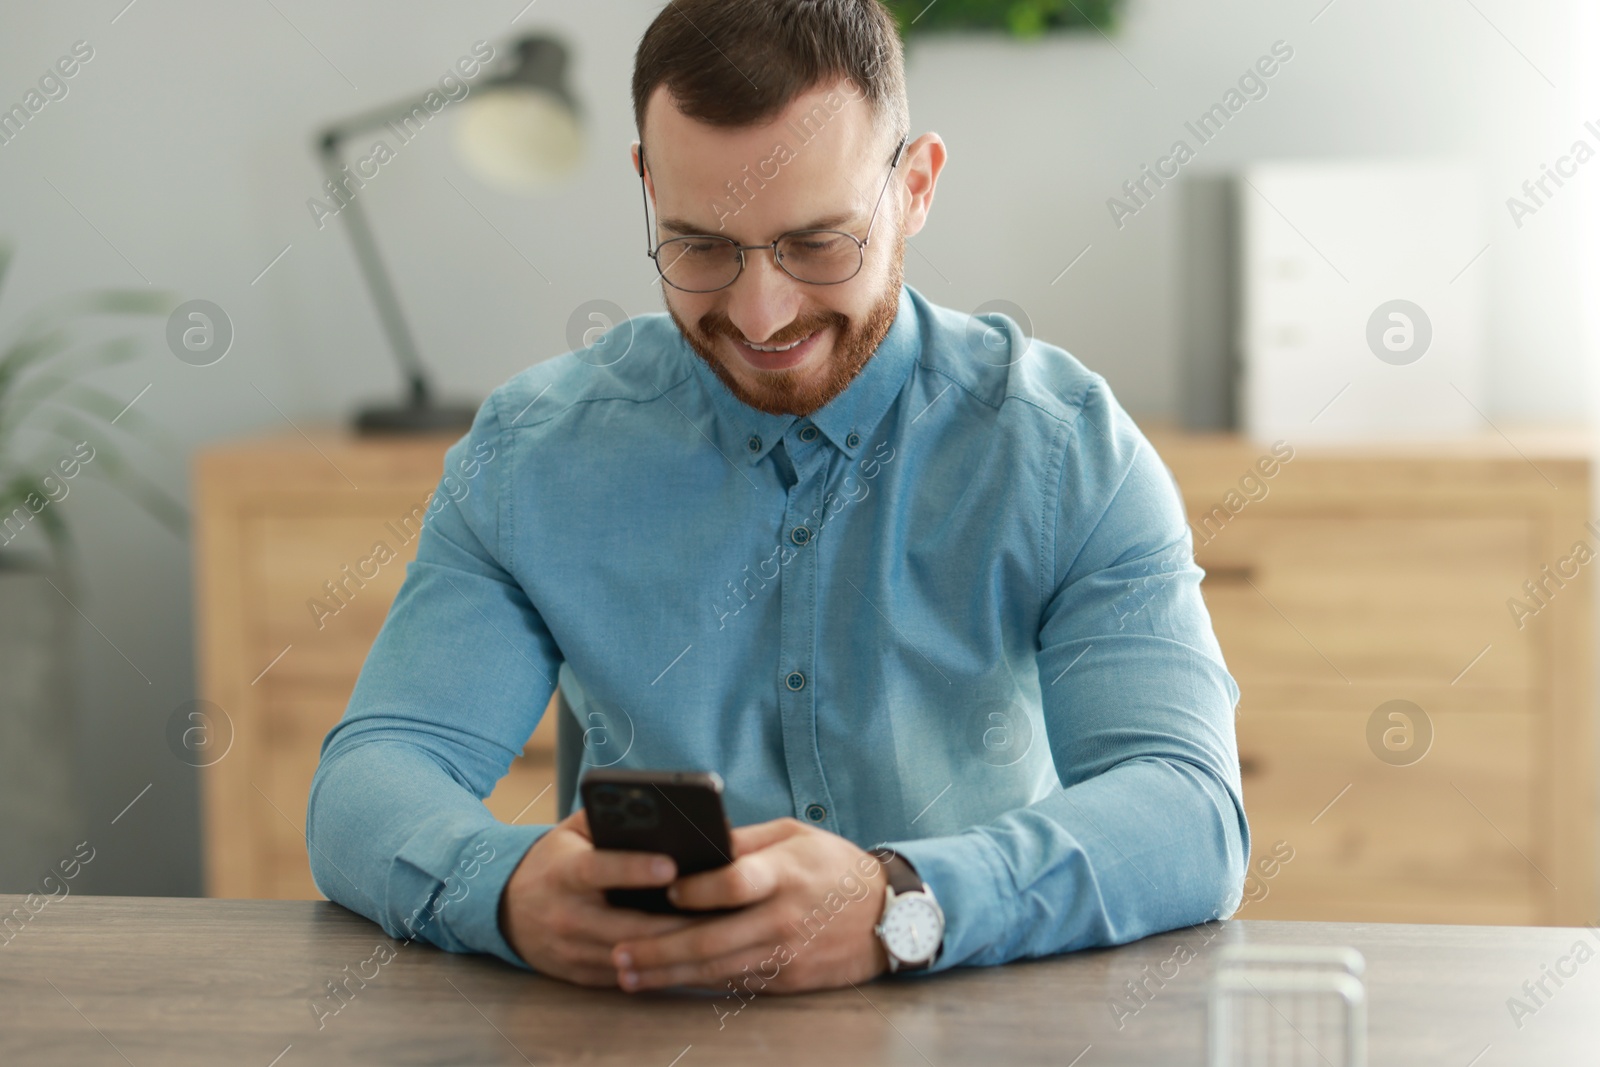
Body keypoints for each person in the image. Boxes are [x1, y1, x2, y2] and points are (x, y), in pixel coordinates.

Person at [306, 0, 1247, 997]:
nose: (761, 315)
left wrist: (901, 904)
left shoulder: (1065, 451)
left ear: (916, 186)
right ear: (646, 185)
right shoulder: (532, 456)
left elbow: (1190, 812)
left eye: (818, 244)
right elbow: (372, 777)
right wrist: (501, 885)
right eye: (701, 246)